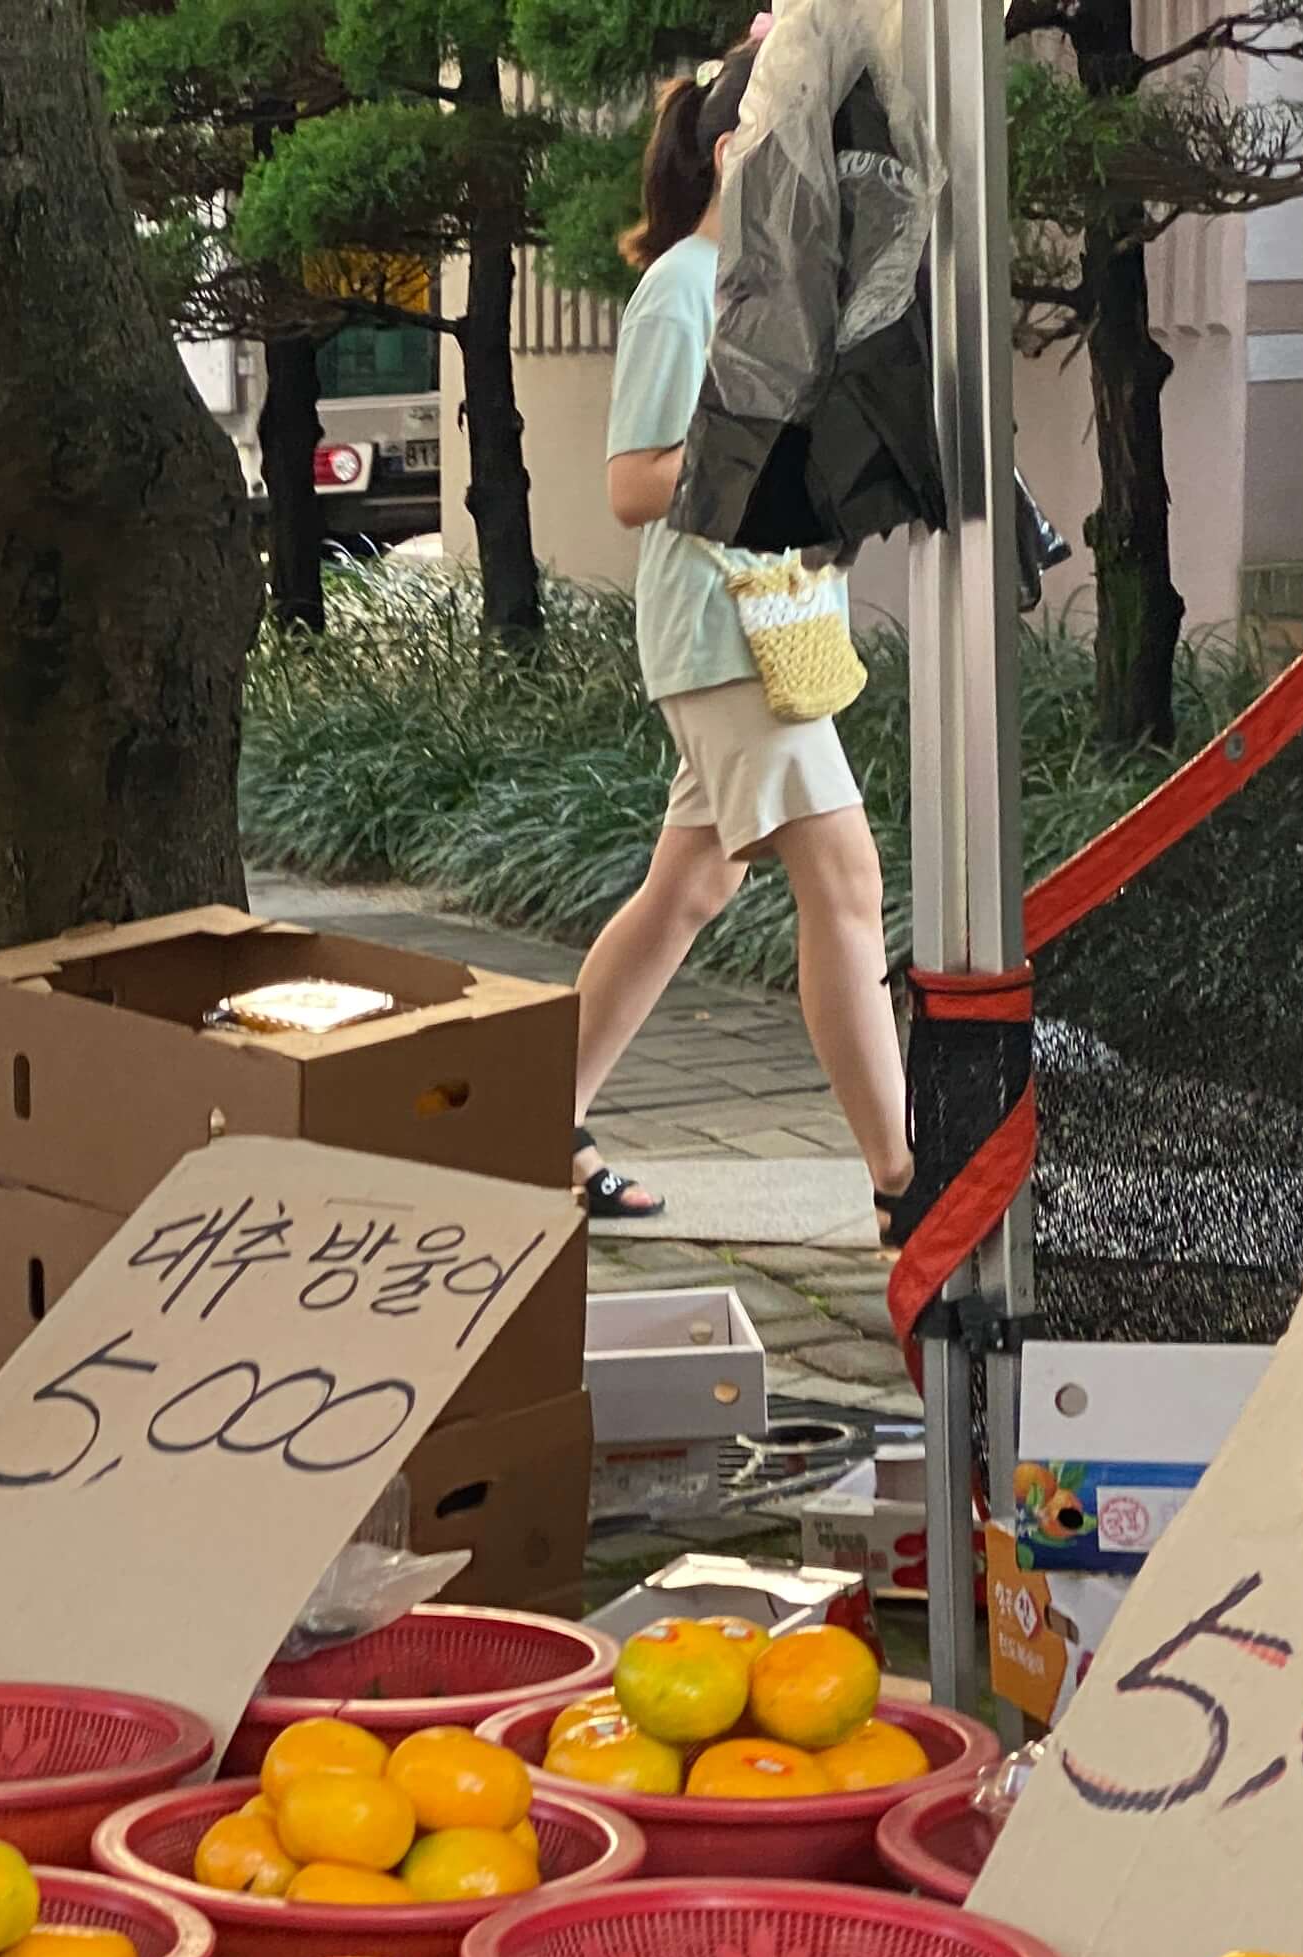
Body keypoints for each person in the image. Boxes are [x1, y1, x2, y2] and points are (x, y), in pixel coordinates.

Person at [569, 43, 911, 1239]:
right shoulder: (686, 285)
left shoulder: (758, 285)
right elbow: (630, 485)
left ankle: (531, 1125)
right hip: (729, 635)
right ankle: (903, 1188)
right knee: (847, 888)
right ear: (733, 159)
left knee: (689, 889)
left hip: (762, 633)